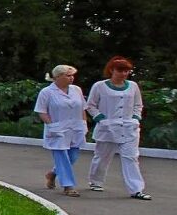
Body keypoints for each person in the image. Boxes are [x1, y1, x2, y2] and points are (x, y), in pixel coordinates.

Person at [86, 56, 151, 200]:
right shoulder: (100, 86)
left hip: (129, 128)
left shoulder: (133, 86)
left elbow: (138, 105)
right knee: (102, 156)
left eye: (127, 71)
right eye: (120, 70)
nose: (124, 74)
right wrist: (101, 119)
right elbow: (91, 105)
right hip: (107, 127)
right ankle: (96, 181)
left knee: (131, 157)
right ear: (111, 70)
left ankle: (136, 189)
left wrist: (135, 118)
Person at [34, 64, 86, 197]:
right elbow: (41, 111)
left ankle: (52, 174)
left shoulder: (76, 90)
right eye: (68, 75)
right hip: (57, 129)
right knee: (62, 156)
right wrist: (51, 125)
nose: (71, 78)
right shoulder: (47, 92)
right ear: (57, 77)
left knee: (73, 156)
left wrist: (84, 123)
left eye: (72, 75)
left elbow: (82, 108)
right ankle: (68, 186)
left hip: (75, 128)